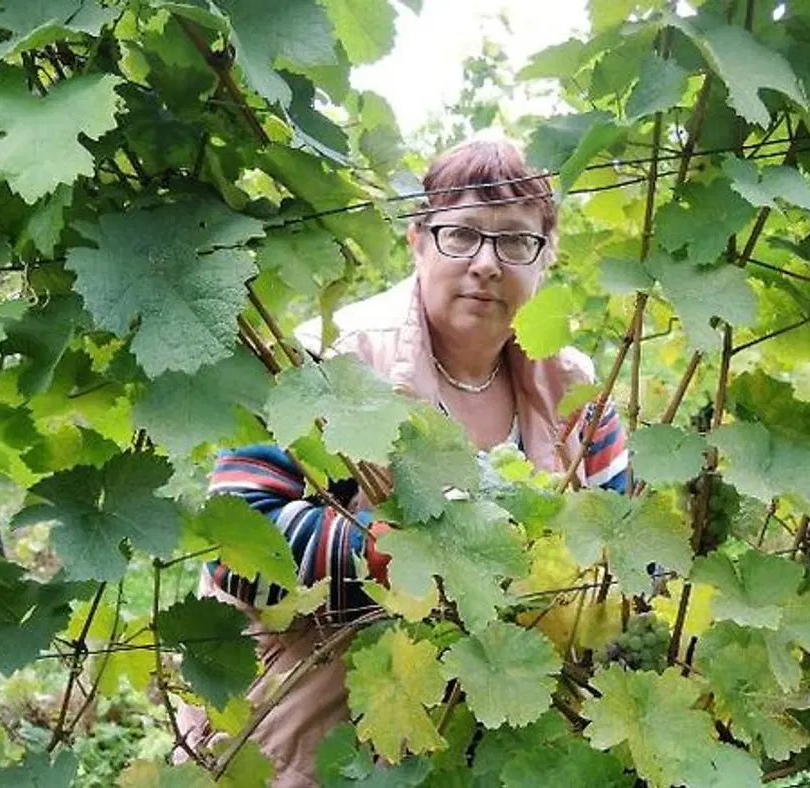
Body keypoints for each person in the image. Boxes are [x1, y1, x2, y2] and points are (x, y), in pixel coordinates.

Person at [172, 138, 631, 786]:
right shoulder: (339, 360)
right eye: (461, 234)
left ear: (547, 256)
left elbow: (627, 547)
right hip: (307, 741)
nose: (487, 263)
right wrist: (393, 555)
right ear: (417, 239)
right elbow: (236, 536)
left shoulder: (577, 386)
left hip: (495, 733)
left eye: (516, 241)